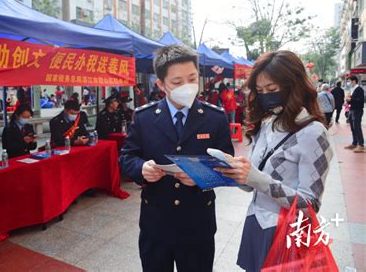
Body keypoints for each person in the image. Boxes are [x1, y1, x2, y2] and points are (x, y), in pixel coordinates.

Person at [213, 51, 333, 271]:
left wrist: (257, 179)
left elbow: (310, 204)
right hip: (256, 222)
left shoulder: (314, 133)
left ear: (293, 86)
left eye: (272, 89)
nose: (265, 96)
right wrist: (233, 171)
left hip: (285, 231)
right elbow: (251, 185)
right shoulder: (267, 123)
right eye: (260, 91)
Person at [120, 44, 234, 272]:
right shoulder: (144, 117)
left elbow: (227, 164)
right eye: (177, 82)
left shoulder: (214, 118)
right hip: (156, 223)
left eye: (192, 78)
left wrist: (202, 176)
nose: (187, 87)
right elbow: (126, 157)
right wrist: (142, 168)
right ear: (161, 84)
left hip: (197, 224)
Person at [344, 75, 364, 153]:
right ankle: (354, 143)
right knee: (353, 127)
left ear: (354, 81)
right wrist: (348, 100)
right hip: (352, 110)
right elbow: (352, 100)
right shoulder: (353, 89)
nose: (349, 83)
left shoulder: (359, 89)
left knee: (357, 127)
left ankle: (361, 145)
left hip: (357, 110)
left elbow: (361, 100)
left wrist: (351, 99)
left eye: (349, 81)